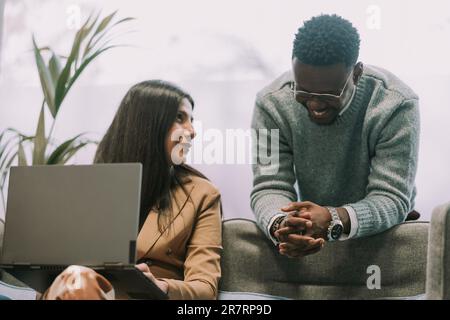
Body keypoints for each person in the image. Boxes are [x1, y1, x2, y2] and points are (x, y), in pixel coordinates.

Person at [251, 14, 420, 258]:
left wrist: (333, 219)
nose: (315, 104)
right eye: (304, 92)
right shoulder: (272, 104)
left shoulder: (395, 103)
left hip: (381, 244)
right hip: (313, 240)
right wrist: (282, 225)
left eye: (329, 95)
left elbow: (391, 197)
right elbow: (269, 186)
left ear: (357, 73)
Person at [43, 80, 222, 299]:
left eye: (191, 120)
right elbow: (50, 269)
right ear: (147, 123)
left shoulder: (202, 194)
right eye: (179, 118)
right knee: (78, 279)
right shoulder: (91, 185)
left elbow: (206, 288)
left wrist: (162, 286)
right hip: (74, 290)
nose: (192, 131)